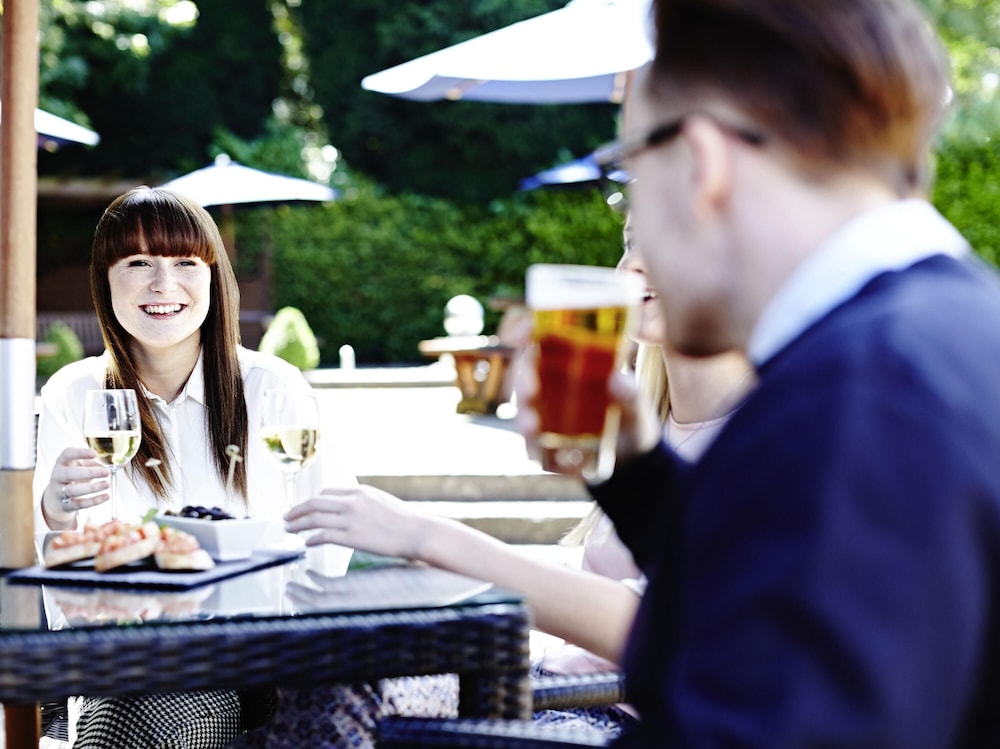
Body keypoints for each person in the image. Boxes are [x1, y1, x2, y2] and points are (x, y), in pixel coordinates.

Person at [516, 1, 1000, 747]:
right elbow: (772, 605)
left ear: (703, 162)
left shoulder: (854, 397)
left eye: (628, 173)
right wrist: (639, 478)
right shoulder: (950, 331)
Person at [267, 221, 753, 743]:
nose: (633, 264)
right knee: (324, 678)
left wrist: (429, 538)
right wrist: (433, 569)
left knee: (343, 701)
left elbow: (661, 623)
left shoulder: (769, 439)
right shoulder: (644, 422)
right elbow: (595, 579)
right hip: (541, 681)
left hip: (610, 715)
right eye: (631, 241)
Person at [33, 186, 336, 748]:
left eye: (184, 263)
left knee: (146, 714)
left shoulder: (271, 388)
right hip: (122, 654)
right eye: (138, 263)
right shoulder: (74, 395)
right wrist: (55, 510)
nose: (163, 284)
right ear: (104, 279)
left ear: (214, 277)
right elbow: (52, 570)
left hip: (254, 656)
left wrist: (295, 649)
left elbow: (329, 535)